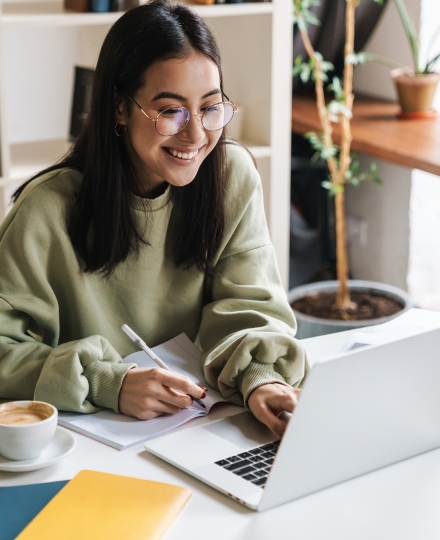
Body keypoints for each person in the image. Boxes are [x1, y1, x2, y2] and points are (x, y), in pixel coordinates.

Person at [0, 0, 308, 439]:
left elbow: (251, 305)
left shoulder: (231, 176)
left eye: (210, 106)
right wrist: (110, 382)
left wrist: (263, 377)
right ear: (120, 109)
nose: (197, 135)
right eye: (170, 111)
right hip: (90, 445)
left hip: (205, 427)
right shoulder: (47, 209)